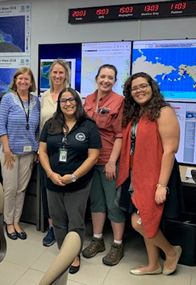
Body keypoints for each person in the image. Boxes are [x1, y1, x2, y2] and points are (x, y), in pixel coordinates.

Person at [117, 72, 182, 275]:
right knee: (144, 217)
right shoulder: (137, 113)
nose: (139, 91)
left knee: (139, 221)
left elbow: (170, 150)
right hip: (138, 175)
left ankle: (171, 252)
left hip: (158, 175)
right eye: (134, 88)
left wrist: (161, 185)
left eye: (143, 86)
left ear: (152, 87)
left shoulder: (164, 112)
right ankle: (153, 264)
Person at [39, 87, 101, 274]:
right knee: (57, 220)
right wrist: (50, 173)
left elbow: (94, 156)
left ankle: (74, 255)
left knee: (75, 221)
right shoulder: (50, 124)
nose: (68, 103)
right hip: (53, 180)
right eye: (64, 100)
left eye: (72, 99)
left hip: (78, 183)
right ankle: (62, 252)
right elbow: (42, 151)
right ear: (59, 104)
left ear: (78, 102)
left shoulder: (88, 125)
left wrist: (74, 176)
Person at [82, 64, 126, 266]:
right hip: (90, 160)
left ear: (115, 80)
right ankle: (98, 239)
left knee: (113, 203)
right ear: (97, 78)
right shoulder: (88, 99)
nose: (106, 80)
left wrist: (111, 162)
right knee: (96, 202)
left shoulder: (119, 101)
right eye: (103, 76)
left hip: (108, 160)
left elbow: (119, 135)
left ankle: (117, 244)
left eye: (110, 77)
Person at [0, 67, 40, 241]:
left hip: (28, 152)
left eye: (26, 79)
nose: (23, 82)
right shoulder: (8, 99)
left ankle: (16, 221)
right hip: (10, 152)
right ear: (15, 81)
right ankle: (8, 222)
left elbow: (37, 128)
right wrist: (6, 149)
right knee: (10, 189)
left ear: (31, 82)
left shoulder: (36, 101)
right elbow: (1, 126)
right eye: (20, 79)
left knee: (21, 189)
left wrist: (36, 149)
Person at [40, 59, 71, 247]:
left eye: (61, 72)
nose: (58, 76)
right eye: (54, 72)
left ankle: (66, 227)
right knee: (48, 189)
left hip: (67, 149)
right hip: (46, 150)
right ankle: (52, 228)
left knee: (65, 189)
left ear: (66, 75)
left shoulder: (72, 95)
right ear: (50, 74)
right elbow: (39, 124)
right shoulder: (43, 96)